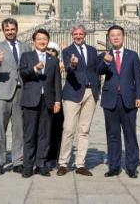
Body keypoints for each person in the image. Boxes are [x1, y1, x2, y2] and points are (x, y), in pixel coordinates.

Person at [100, 25, 140, 179]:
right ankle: (114, 166)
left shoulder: (132, 55)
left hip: (129, 99)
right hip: (110, 99)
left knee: (130, 134)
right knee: (112, 134)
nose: (116, 37)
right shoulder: (104, 55)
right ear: (109, 38)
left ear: (123, 37)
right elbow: (98, 71)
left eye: (118, 35)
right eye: (112, 35)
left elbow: (137, 77)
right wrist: (106, 62)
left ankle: (132, 167)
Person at [57, 24, 100, 177]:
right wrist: (72, 64)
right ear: (72, 35)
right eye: (75, 34)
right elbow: (68, 68)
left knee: (84, 130)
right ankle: (63, 163)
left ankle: (80, 164)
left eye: (80, 33)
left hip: (90, 93)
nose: (78, 36)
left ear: (85, 34)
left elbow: (96, 69)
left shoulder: (92, 50)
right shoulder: (67, 50)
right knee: (68, 129)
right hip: (73, 93)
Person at [19, 29, 62, 178]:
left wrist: (58, 101)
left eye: (44, 39)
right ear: (34, 41)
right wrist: (35, 69)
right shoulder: (26, 56)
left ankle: (41, 164)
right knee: (30, 134)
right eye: (39, 39)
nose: (42, 41)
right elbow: (23, 74)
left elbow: (57, 81)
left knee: (45, 133)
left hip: (48, 101)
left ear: (48, 41)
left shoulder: (53, 60)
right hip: (31, 99)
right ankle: (28, 165)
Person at [0, 18, 31, 175]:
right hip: (2, 93)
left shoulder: (25, 46)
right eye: (7, 30)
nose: (10, 32)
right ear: (3, 31)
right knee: (0, 129)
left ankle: (17, 161)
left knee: (18, 129)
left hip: (21, 92)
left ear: (17, 30)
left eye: (12, 29)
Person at [46, 43, 64, 169]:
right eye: (48, 49)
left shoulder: (60, 64)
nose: (50, 52)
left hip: (58, 100)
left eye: (53, 51)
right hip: (44, 100)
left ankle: (54, 157)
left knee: (56, 130)